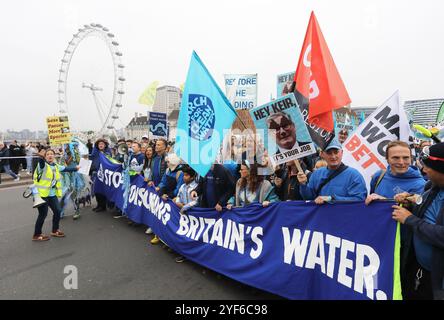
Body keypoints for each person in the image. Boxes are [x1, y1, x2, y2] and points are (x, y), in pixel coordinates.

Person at [392, 142, 444, 300]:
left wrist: (410, 219)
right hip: (419, 272)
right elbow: (426, 210)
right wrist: (409, 202)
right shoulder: (432, 186)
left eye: (428, 166)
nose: (423, 169)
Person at [297, 138, 367, 204]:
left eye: (336, 152)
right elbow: (309, 198)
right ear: (322, 154)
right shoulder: (317, 174)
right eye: (329, 153)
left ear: (342, 152)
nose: (333, 156)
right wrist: (303, 184)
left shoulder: (354, 175)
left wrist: (332, 199)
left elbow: (360, 200)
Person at [32, 148, 79, 241]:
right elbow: (41, 162)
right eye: (47, 154)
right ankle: (36, 234)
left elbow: (66, 168)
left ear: (54, 156)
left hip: (52, 194)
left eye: (51, 154)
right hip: (42, 195)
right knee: (43, 214)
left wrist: (76, 168)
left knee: (57, 211)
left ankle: (55, 230)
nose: (50, 155)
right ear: (45, 157)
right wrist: (40, 157)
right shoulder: (43, 165)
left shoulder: (56, 166)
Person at [365, 141, 425, 205]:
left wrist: (384, 202)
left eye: (405, 158)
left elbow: (417, 213)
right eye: (395, 158)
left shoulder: (421, 185)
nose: (401, 162)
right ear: (387, 159)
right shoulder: (379, 175)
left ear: (411, 159)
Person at [150, 153, 184, 245]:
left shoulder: (180, 173)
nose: (167, 163)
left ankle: (169, 242)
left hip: (172, 199)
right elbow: (163, 182)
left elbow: (179, 189)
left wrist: (168, 196)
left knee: (172, 222)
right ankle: (158, 236)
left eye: (168, 162)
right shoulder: (167, 170)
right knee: (161, 217)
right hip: (164, 197)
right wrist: (159, 188)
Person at [90, 138, 112, 212]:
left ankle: (103, 206)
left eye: (102, 144)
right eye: (99, 144)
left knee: (102, 191)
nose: (101, 145)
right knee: (96, 190)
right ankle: (99, 205)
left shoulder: (108, 153)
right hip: (95, 174)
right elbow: (90, 159)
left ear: (105, 145)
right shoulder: (95, 153)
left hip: (104, 175)